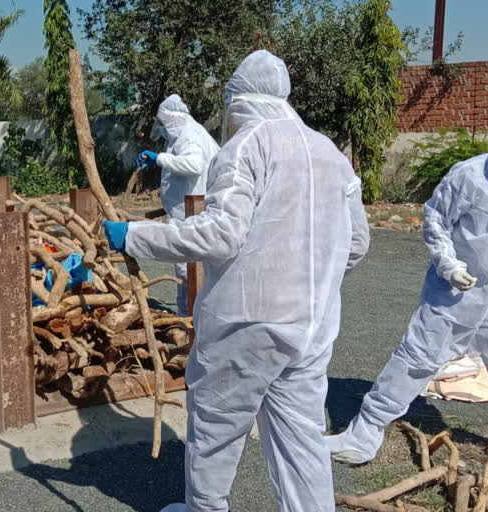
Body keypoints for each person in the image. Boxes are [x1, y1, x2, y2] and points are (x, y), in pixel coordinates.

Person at [104, 50, 370, 512]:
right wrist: (311, 277)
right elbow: (357, 243)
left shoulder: (248, 145)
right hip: (311, 327)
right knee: (301, 438)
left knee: (215, 427)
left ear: (237, 99)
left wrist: (135, 236)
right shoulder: (331, 153)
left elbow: (220, 234)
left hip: (246, 323)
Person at [327, 141, 488, 465]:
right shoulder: (471, 176)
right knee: (415, 359)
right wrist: (449, 264)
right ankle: (364, 433)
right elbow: (437, 219)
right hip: (455, 295)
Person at [135, 94, 219, 316]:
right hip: (189, 210)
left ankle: (190, 322)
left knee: (188, 270)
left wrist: (159, 159)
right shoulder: (188, 133)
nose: (161, 129)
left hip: (193, 212)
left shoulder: (188, 136)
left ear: (171, 120)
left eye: (162, 124)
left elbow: (193, 165)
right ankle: (187, 319)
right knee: (189, 269)